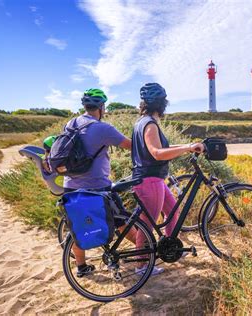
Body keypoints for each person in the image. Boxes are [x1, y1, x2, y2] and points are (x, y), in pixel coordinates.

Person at [132, 83, 204, 275]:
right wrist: (188, 148)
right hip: (149, 180)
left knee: (172, 210)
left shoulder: (143, 122)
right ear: (162, 104)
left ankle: (170, 248)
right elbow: (157, 153)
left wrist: (188, 145)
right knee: (147, 222)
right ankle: (141, 265)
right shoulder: (149, 124)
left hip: (153, 179)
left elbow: (165, 147)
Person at [63, 88, 136, 277]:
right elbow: (130, 145)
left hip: (70, 186)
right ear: (101, 107)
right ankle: (143, 257)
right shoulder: (103, 128)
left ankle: (81, 267)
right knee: (121, 222)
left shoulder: (71, 123)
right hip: (97, 186)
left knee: (78, 225)